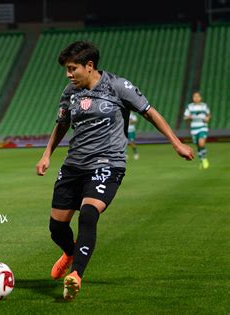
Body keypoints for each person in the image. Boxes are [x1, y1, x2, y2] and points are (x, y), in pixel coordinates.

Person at [35, 41, 194, 301]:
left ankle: (75, 275)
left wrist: (176, 143)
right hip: (74, 165)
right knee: (56, 227)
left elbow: (150, 112)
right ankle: (71, 252)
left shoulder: (118, 86)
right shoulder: (70, 92)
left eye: (72, 68)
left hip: (108, 164)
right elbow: (62, 124)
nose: (68, 74)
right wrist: (46, 155)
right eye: (66, 69)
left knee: (88, 214)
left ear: (89, 66)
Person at [183, 91, 211, 169]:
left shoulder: (204, 106)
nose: (196, 98)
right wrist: (188, 117)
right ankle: (201, 159)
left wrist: (207, 118)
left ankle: (204, 159)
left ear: (200, 98)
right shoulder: (190, 107)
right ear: (193, 98)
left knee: (201, 143)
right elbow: (185, 117)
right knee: (198, 145)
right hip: (194, 129)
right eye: (194, 97)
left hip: (202, 127)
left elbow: (208, 115)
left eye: (198, 96)